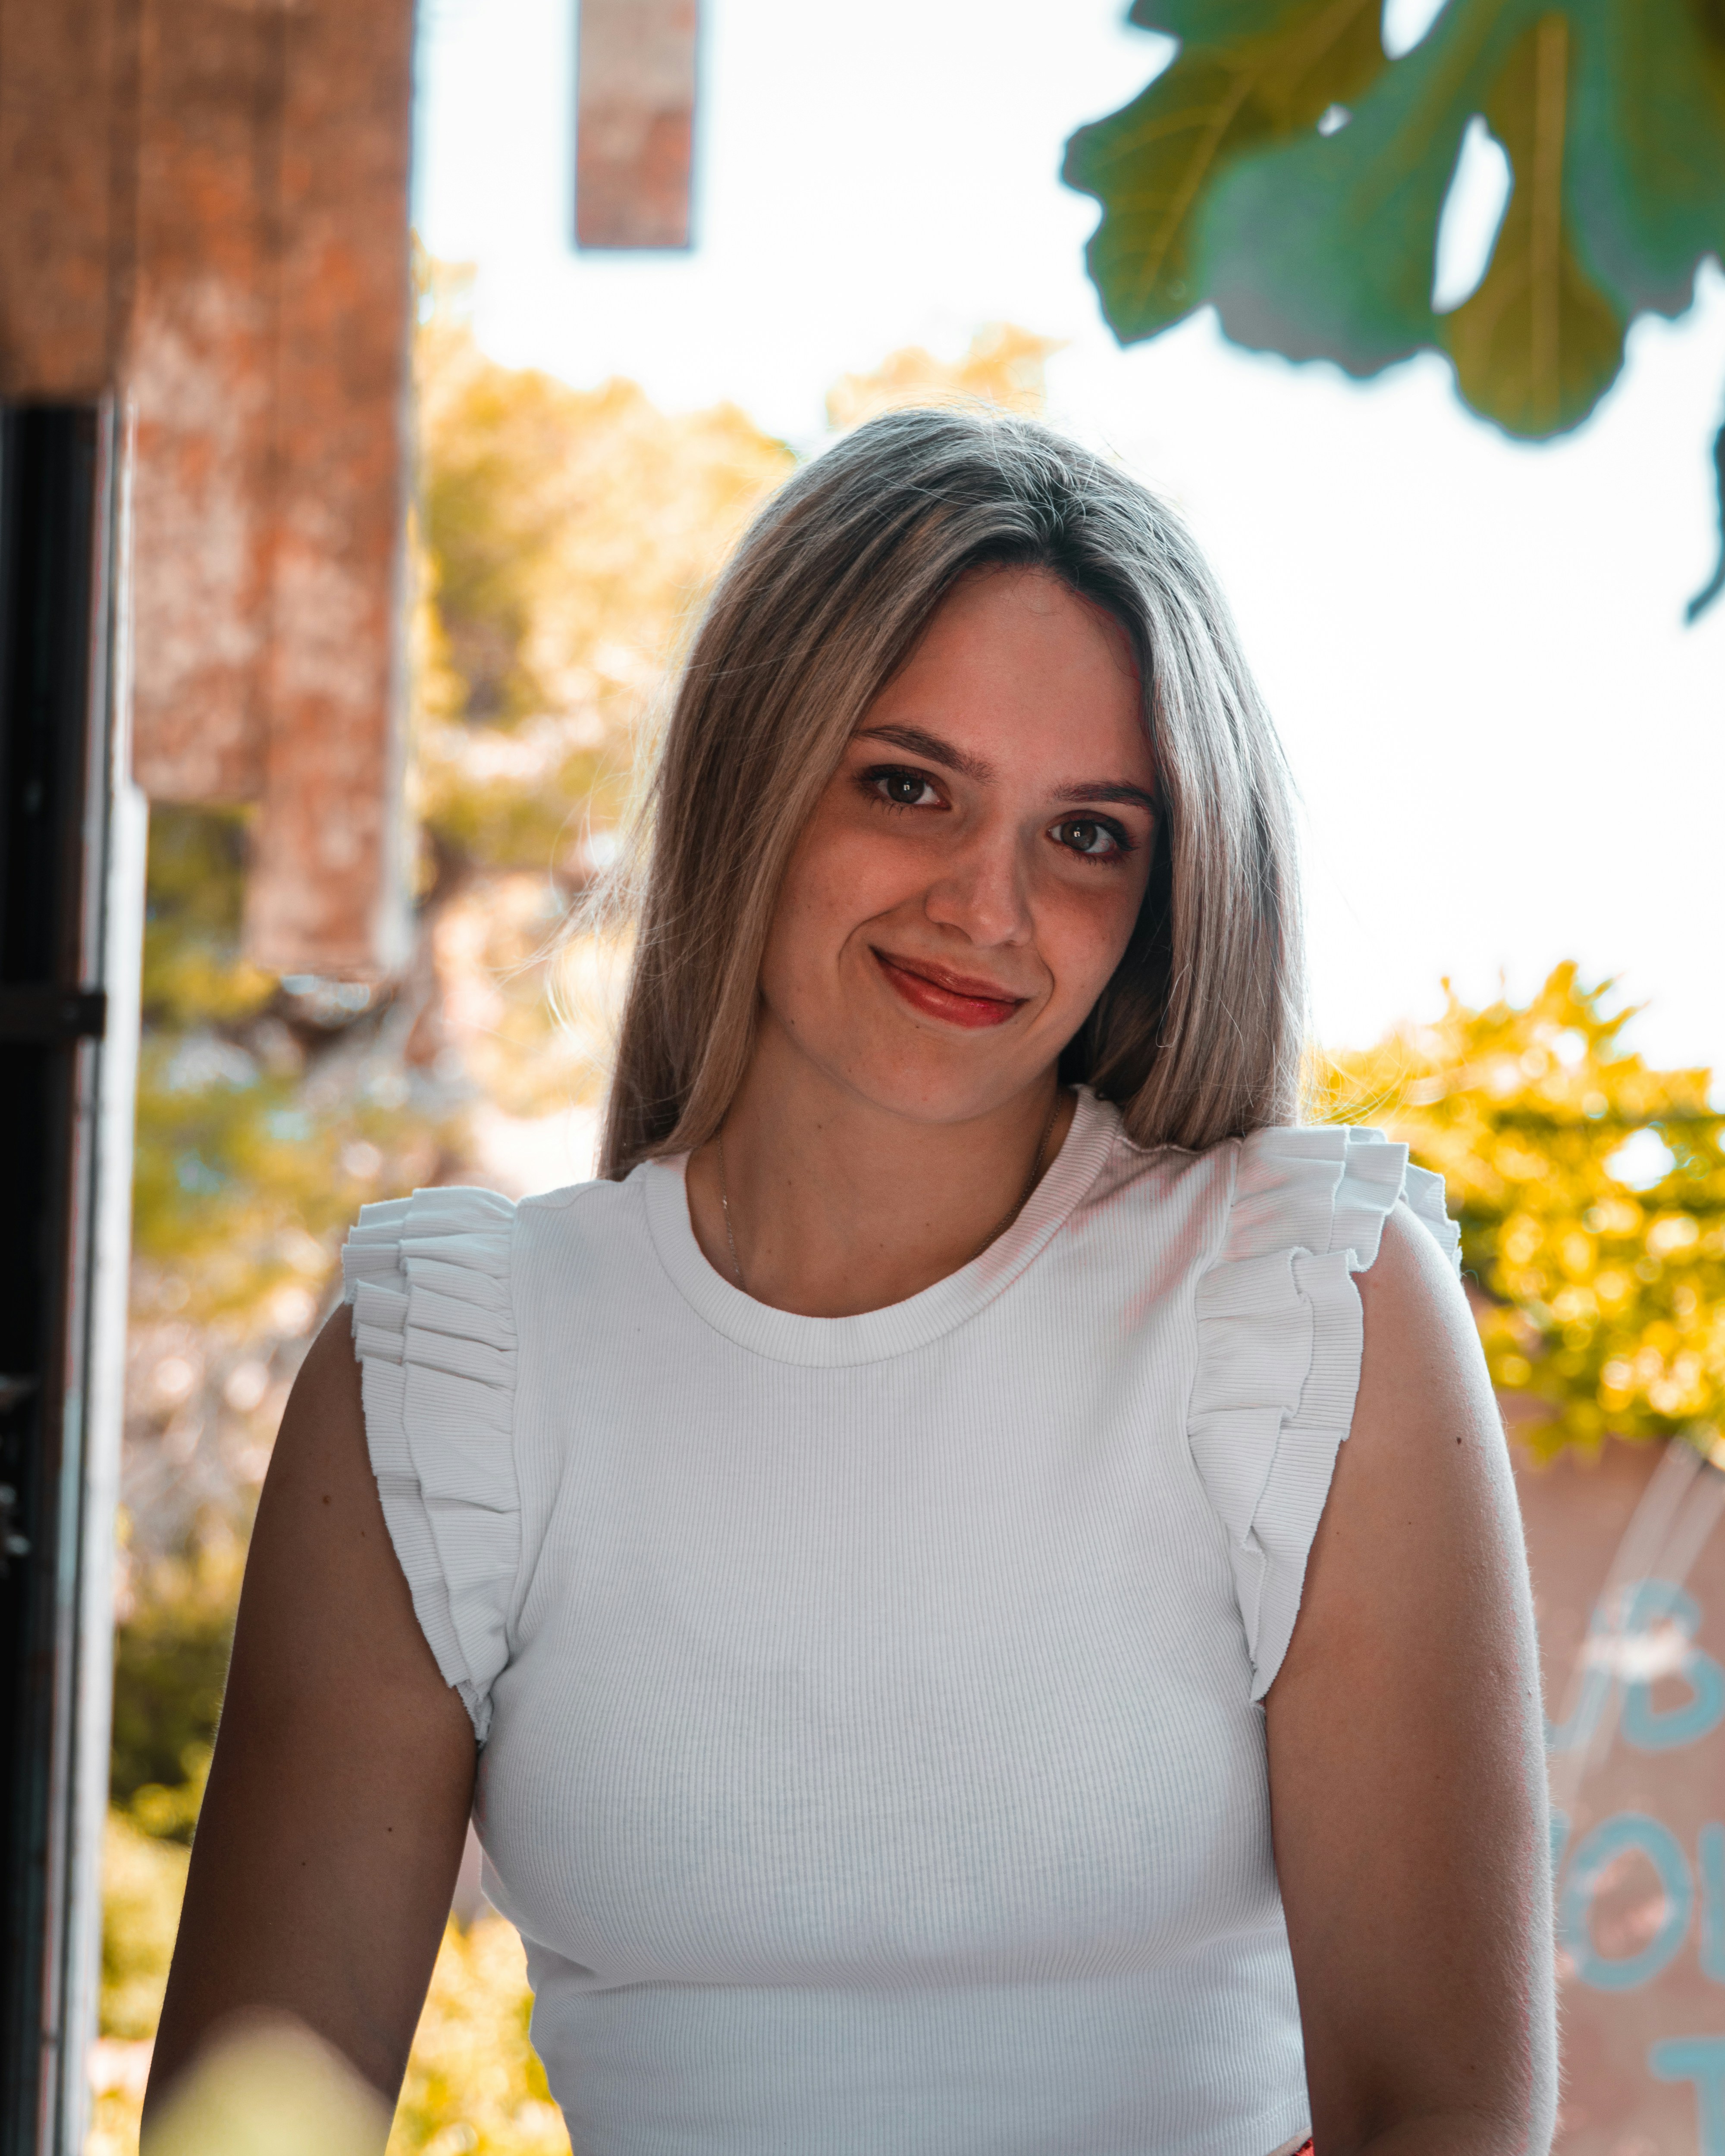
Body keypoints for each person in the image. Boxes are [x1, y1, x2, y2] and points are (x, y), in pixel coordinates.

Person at [146, 407, 1556, 2156]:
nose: (989, 903)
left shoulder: (1308, 1311)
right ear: (755, 768)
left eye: (1089, 833)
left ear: (1163, 886)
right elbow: (246, 2127)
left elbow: (1447, 2115)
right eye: (907, 784)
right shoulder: (450, 1371)